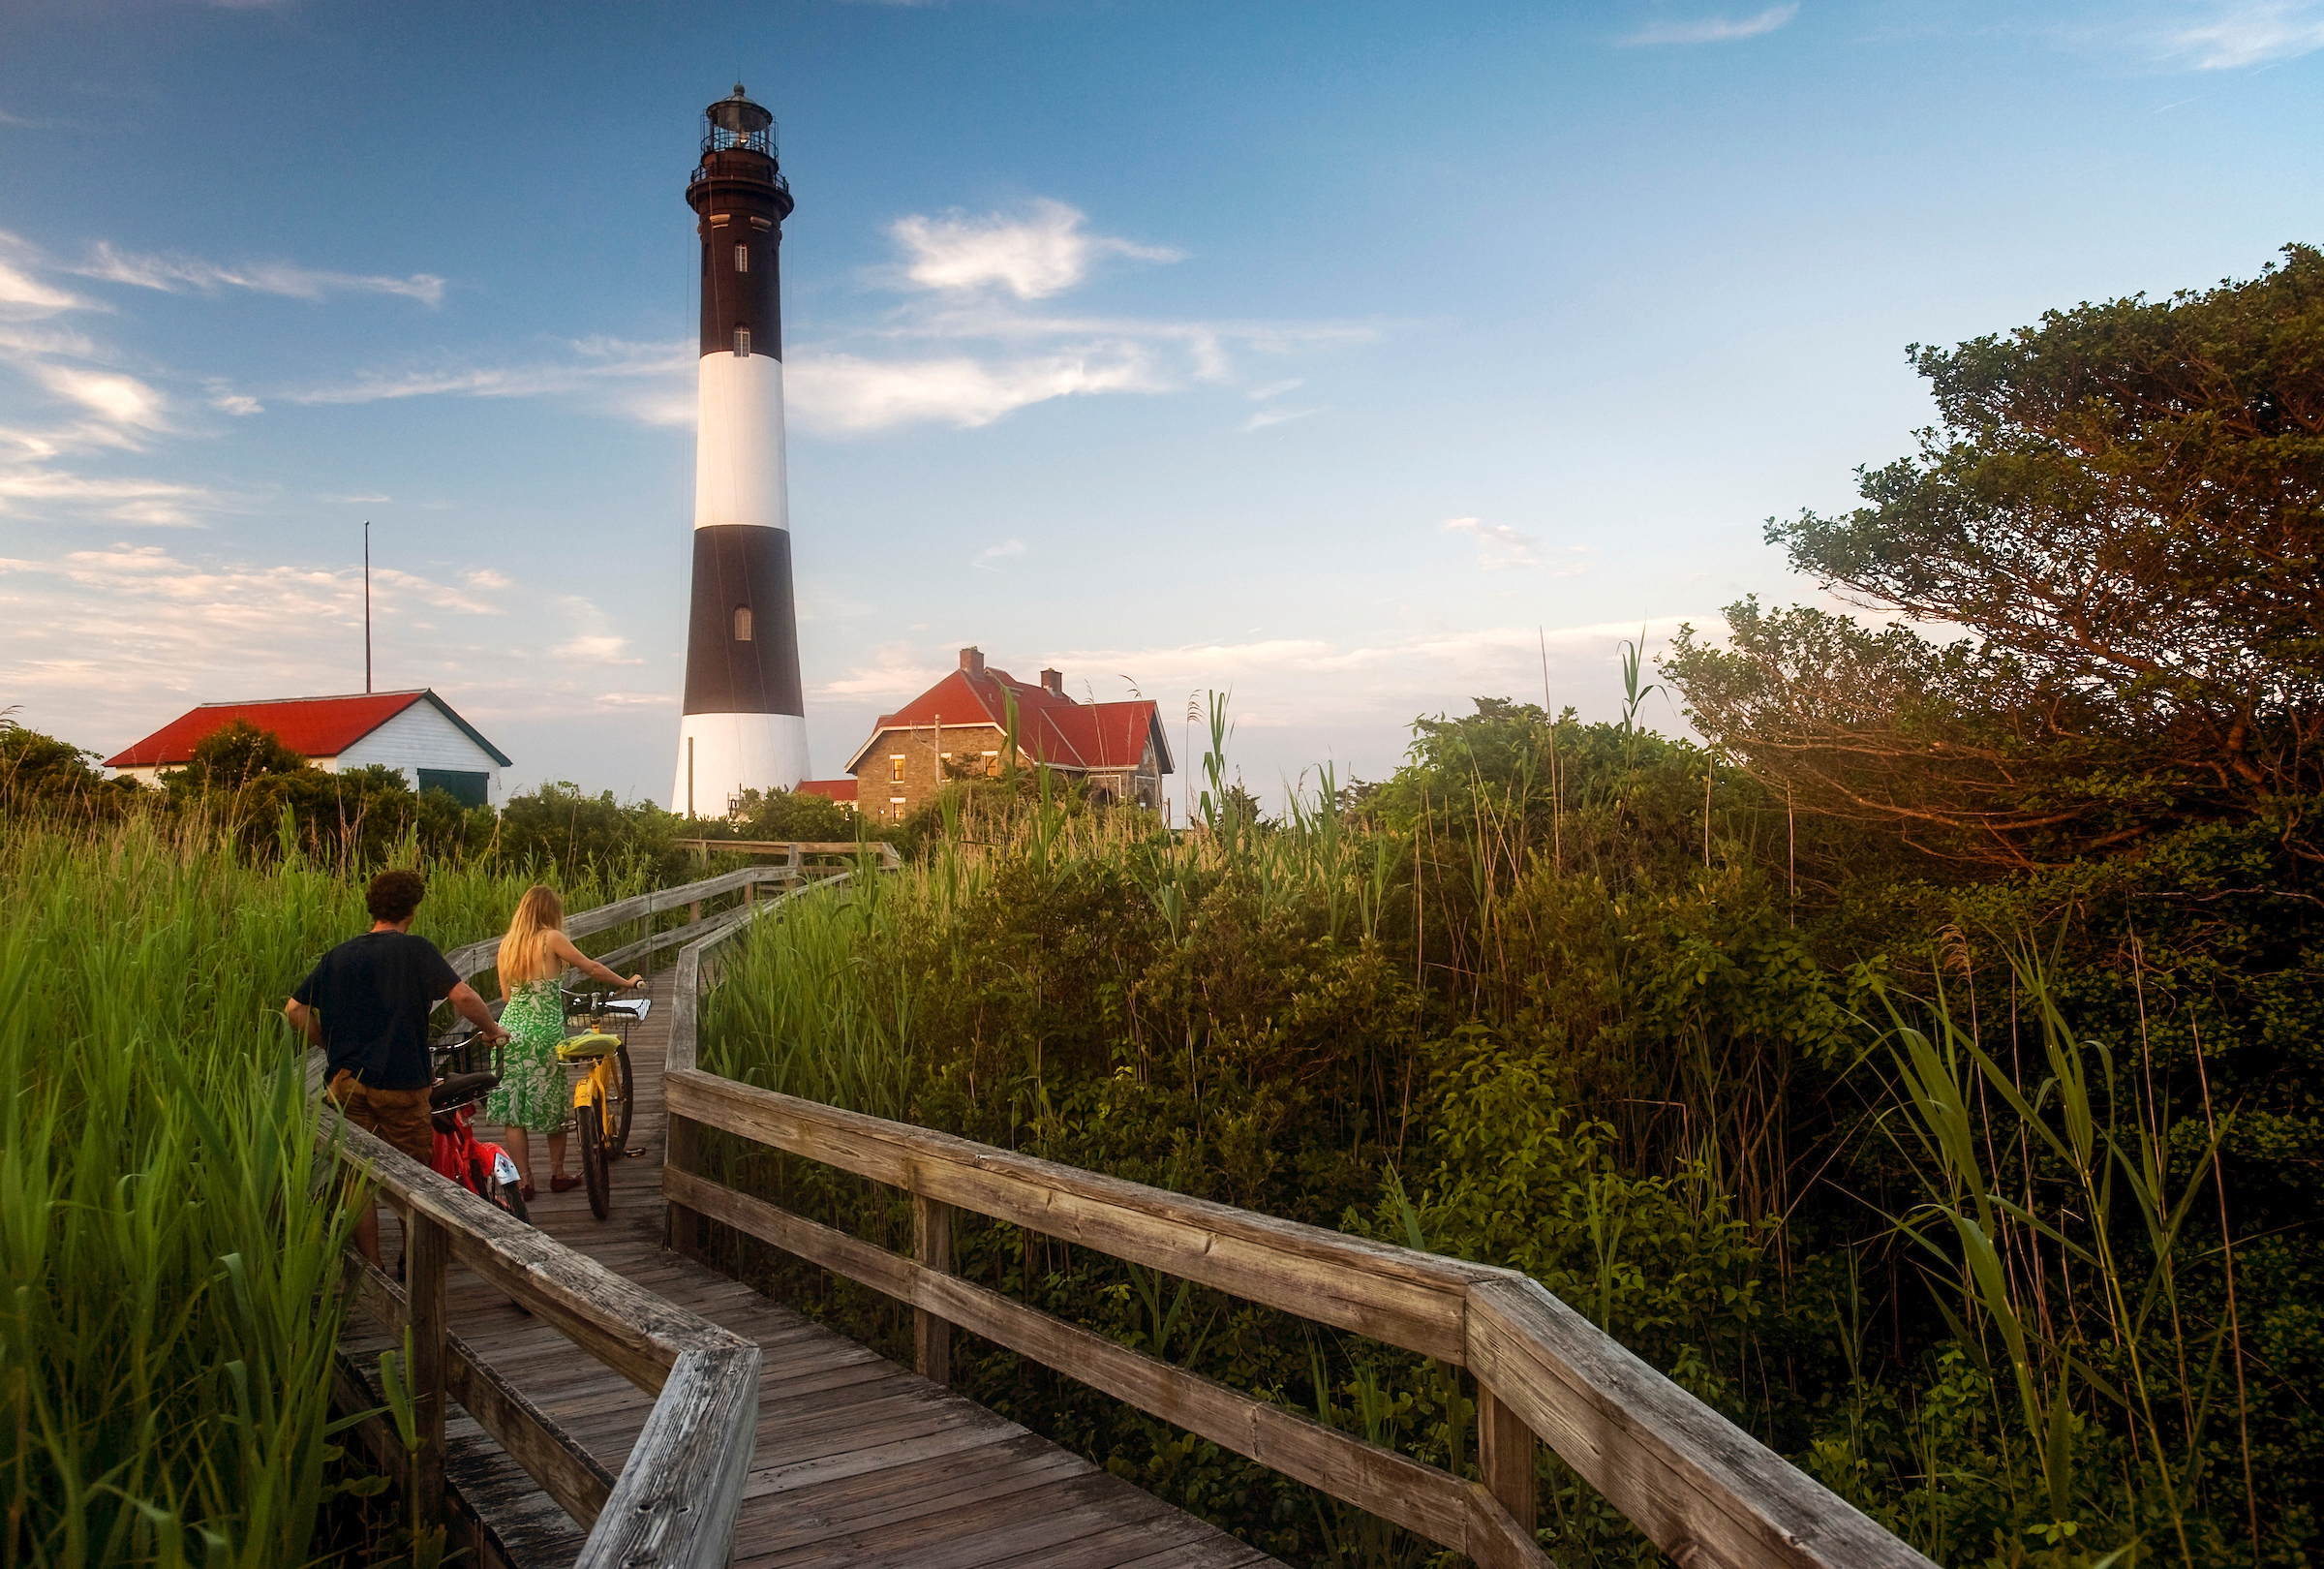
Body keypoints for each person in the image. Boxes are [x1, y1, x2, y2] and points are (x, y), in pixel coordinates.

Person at [287, 868, 508, 1268]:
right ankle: (412, 1258)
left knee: (357, 1174)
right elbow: (462, 994)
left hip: (346, 1083)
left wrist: (330, 1045)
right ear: (412, 909)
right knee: (414, 1175)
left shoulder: (338, 955)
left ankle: (373, 1265)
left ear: (374, 907)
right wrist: (491, 1029)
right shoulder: (415, 950)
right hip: (401, 1082)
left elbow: (295, 1009)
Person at [486, 884, 644, 1198]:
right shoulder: (551, 939)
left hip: (510, 1032)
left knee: (514, 1110)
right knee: (553, 1106)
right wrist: (627, 981)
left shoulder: (507, 945)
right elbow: (591, 967)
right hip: (544, 1032)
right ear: (549, 911)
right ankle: (557, 1174)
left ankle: (525, 1180)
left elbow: (506, 996)